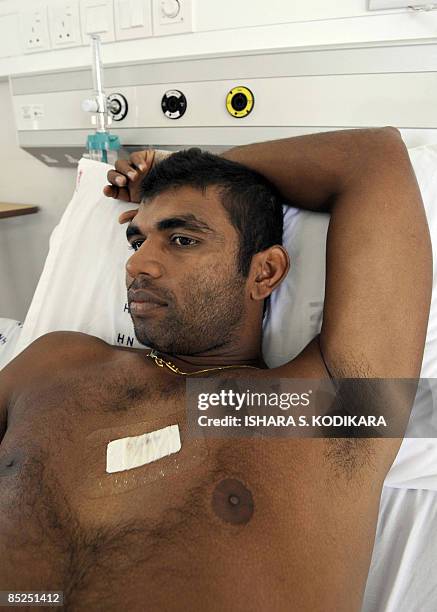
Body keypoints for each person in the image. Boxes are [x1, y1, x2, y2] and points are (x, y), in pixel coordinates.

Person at [0, 129, 431, 611]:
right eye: (137, 240)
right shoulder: (55, 363)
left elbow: (373, 160)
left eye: (181, 239)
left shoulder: (323, 406)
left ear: (264, 272)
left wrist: (186, 163)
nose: (138, 263)